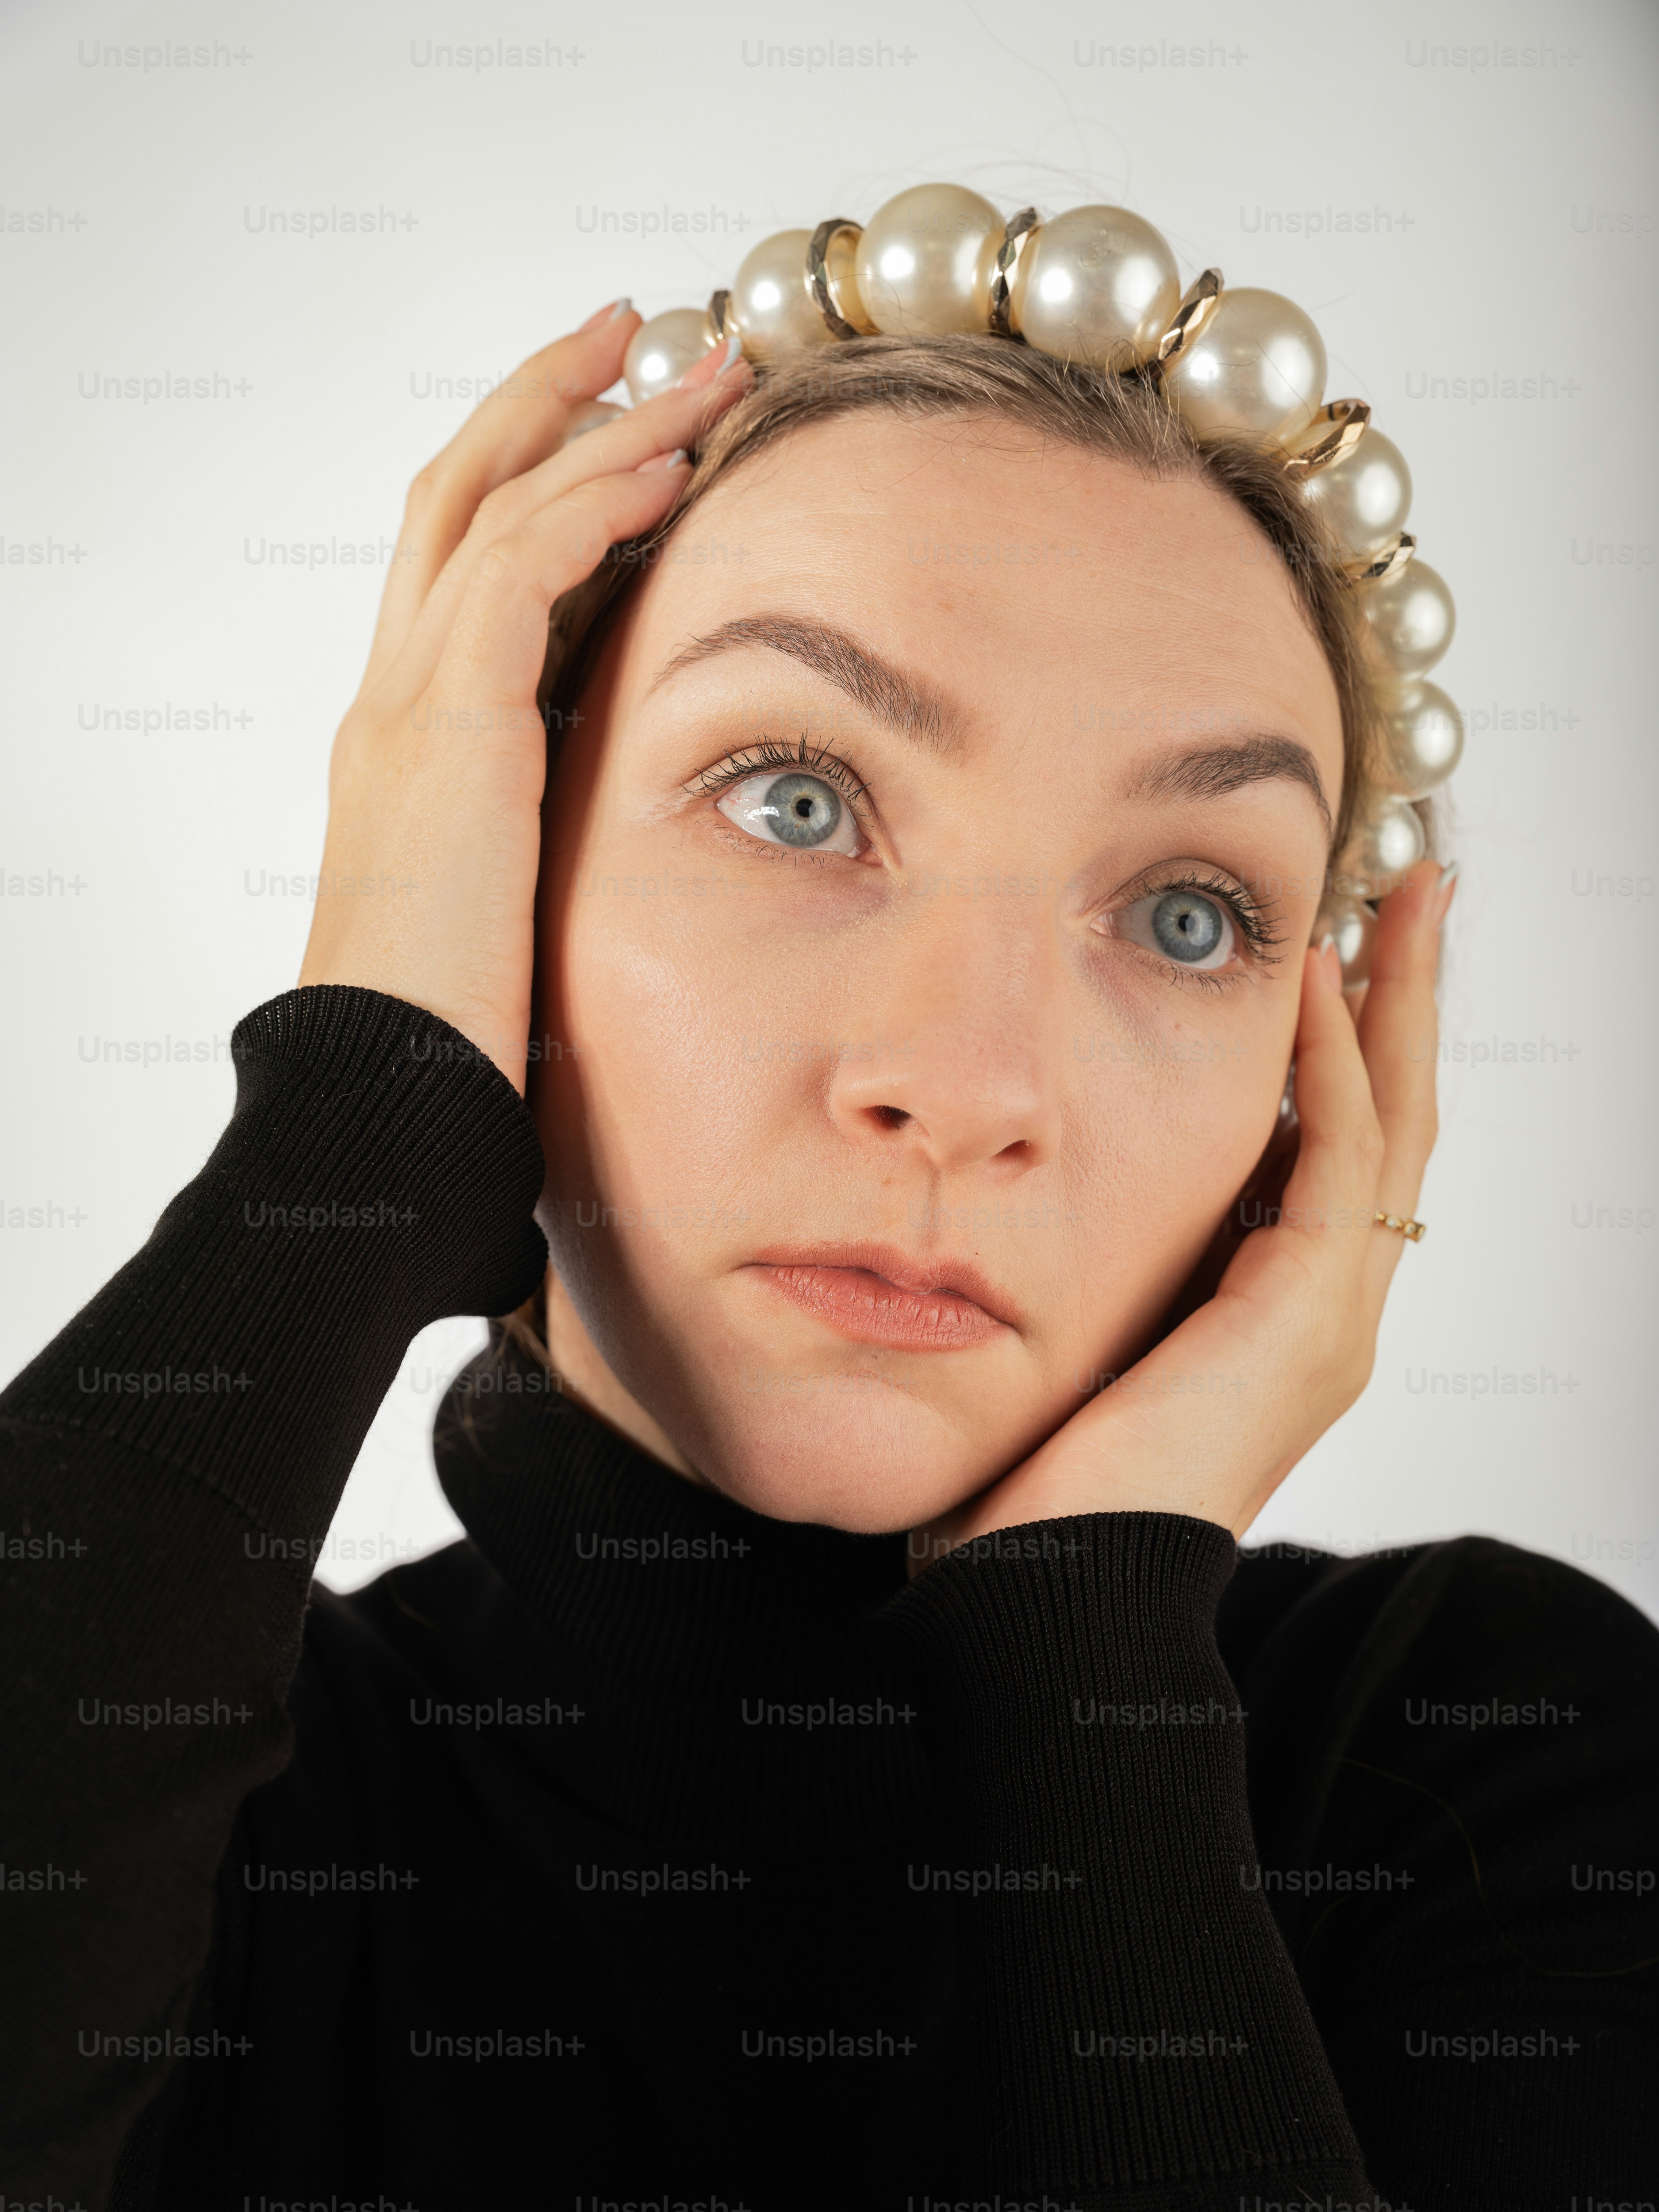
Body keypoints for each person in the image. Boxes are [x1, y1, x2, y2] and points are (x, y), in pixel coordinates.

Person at [2, 294, 1654, 2212]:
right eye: (796, 801)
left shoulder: (1475, 1750)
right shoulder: (184, 1790)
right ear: (503, 870)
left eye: (1189, 918)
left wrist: (1084, 1642)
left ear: (1316, 1088)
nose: (963, 1086)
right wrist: (361, 1109)